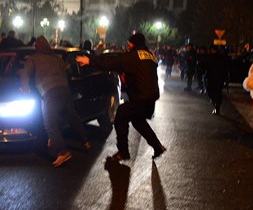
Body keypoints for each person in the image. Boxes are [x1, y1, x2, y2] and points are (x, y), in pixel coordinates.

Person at [76, 32, 166, 162]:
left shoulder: (132, 56)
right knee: (138, 121)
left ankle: (123, 151)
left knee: (120, 116)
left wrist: (90, 60)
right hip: (150, 96)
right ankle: (157, 146)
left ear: (133, 43)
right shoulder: (150, 56)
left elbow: (112, 63)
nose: (128, 45)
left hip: (141, 96)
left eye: (130, 43)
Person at [20, 36, 90, 167]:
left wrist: (25, 88)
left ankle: (62, 152)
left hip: (49, 92)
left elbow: (25, 73)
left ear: (36, 48)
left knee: (49, 122)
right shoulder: (57, 58)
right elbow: (65, 72)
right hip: (64, 90)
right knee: (72, 117)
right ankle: (85, 141)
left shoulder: (32, 58)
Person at [204, 45, 229, 115]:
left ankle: (216, 106)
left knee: (214, 92)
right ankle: (216, 105)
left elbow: (224, 68)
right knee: (214, 92)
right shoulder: (218, 57)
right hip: (215, 77)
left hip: (215, 77)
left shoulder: (217, 57)